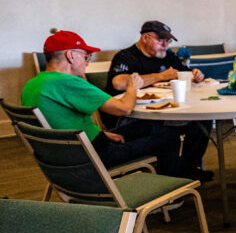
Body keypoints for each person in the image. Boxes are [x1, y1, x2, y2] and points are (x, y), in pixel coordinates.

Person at [21, 30, 187, 177]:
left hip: (66, 154)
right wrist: (132, 86)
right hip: (92, 155)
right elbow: (124, 108)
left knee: (148, 126)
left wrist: (102, 134)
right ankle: (174, 191)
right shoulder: (67, 82)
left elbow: (62, 122)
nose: (87, 62)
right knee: (169, 138)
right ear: (70, 55)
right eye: (86, 56)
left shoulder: (32, 84)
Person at [103, 21, 211, 181]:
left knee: (202, 121)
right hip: (131, 117)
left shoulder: (167, 56)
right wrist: (160, 76)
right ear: (145, 37)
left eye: (168, 41)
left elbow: (185, 73)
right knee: (166, 133)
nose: (165, 45)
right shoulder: (126, 57)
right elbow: (118, 83)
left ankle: (187, 168)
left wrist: (196, 75)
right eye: (160, 40)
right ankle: (170, 175)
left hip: (164, 111)